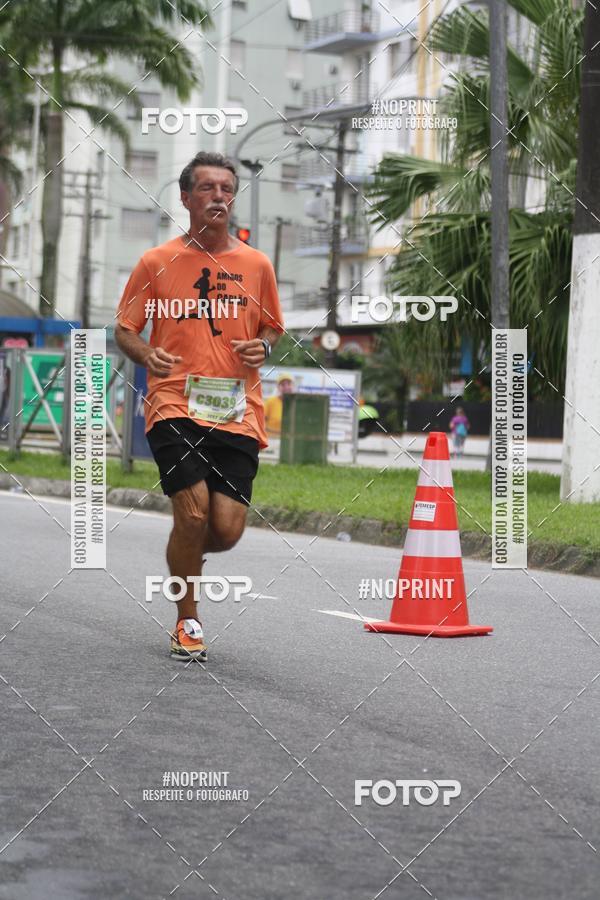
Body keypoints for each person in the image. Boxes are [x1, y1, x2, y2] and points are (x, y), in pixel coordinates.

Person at [115, 151, 284, 662]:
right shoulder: (155, 262)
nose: (218, 196)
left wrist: (266, 348)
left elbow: (272, 329)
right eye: (207, 188)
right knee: (192, 514)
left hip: (237, 408)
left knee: (226, 532)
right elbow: (125, 329)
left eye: (226, 189)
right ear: (186, 198)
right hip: (174, 403)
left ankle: (182, 554)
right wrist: (146, 352)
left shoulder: (256, 266)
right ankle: (188, 621)